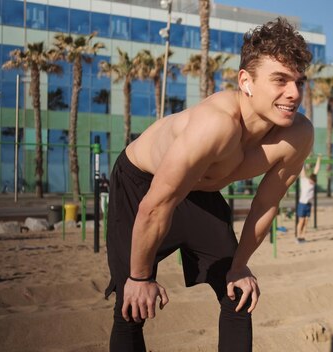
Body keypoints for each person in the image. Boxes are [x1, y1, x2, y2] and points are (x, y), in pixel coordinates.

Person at [104, 18, 313, 352]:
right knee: (132, 306)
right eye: (280, 80)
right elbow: (155, 206)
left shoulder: (297, 135)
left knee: (238, 293)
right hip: (142, 187)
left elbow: (266, 204)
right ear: (246, 81)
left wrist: (239, 265)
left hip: (200, 193)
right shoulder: (215, 126)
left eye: (299, 82)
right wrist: (141, 277)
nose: (294, 93)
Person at [296, 154, 321, 243]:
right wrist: (302, 157)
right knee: (301, 221)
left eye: (313, 182)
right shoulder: (304, 181)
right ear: (309, 179)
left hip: (308, 204)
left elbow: (316, 169)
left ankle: (302, 237)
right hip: (302, 203)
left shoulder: (313, 182)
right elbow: (302, 170)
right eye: (311, 182)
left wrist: (319, 158)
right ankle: (298, 237)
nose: (312, 183)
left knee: (306, 221)